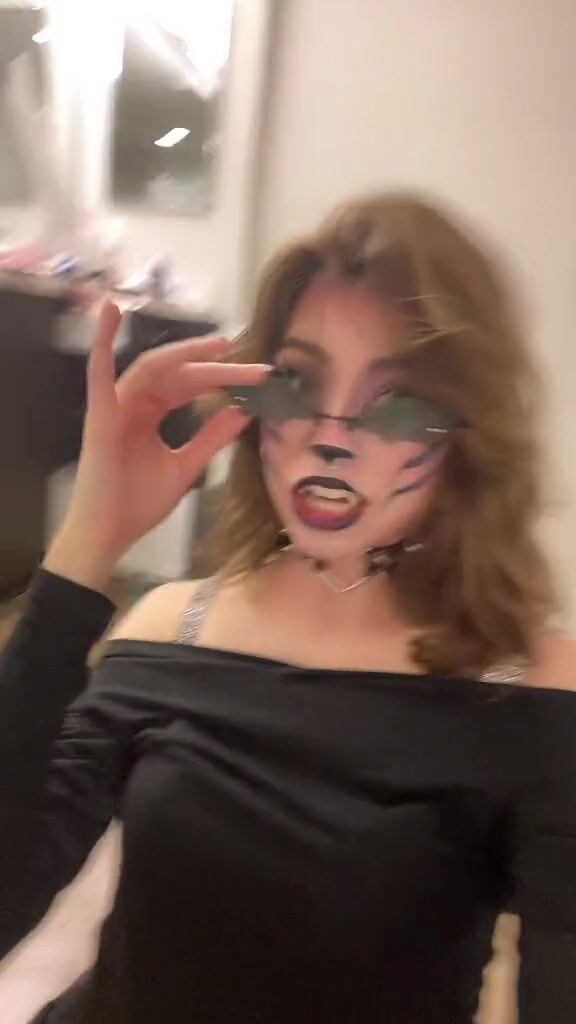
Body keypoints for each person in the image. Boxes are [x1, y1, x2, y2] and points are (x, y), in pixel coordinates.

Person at [1, 193, 575, 1023]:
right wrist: (89, 539)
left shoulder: (527, 689)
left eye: (398, 402)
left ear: (468, 435)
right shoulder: (173, 629)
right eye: (297, 384)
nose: (329, 438)